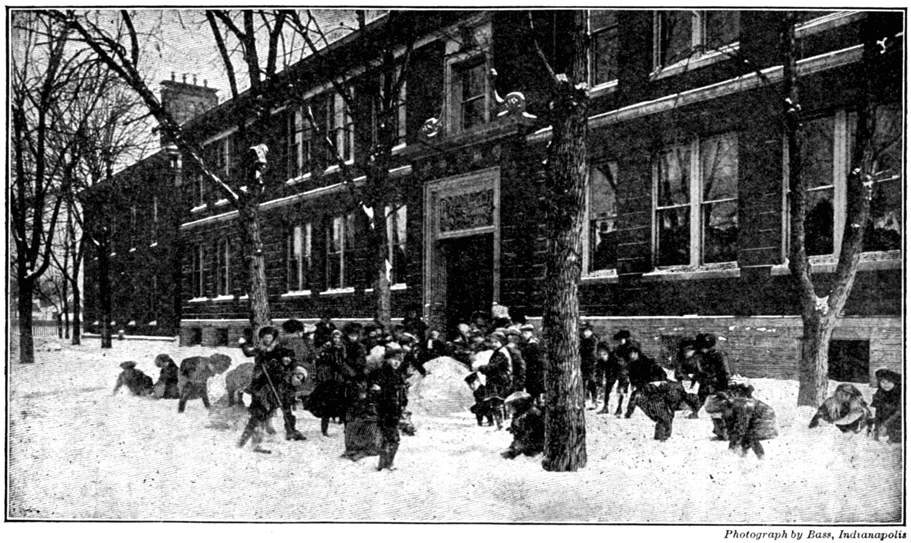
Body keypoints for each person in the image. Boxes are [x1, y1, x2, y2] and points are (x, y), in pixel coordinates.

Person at [239, 326, 305, 441]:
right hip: (262, 382)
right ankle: (259, 432)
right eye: (265, 337)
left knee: (285, 405)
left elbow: (290, 359)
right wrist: (243, 344)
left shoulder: (278, 349)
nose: (268, 339)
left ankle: (291, 430)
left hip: (278, 382)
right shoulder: (260, 349)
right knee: (262, 409)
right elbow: (248, 353)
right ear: (262, 338)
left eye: (270, 337)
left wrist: (286, 362)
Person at [370, 344, 410, 470]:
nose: (397, 362)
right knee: (391, 438)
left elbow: (401, 394)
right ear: (387, 359)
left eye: (399, 360)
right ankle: (385, 464)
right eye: (394, 359)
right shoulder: (380, 373)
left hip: (395, 410)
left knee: (389, 438)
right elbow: (374, 390)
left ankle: (385, 463)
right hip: (384, 410)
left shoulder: (398, 375)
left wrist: (403, 401)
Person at [717, 382, 777, 459]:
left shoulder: (743, 405)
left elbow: (742, 423)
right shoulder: (737, 403)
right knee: (743, 434)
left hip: (764, 419)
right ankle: (743, 454)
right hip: (756, 418)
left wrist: (734, 440)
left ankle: (760, 457)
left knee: (749, 435)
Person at [307, 329, 348, 436]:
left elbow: (345, 361)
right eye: (334, 337)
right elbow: (319, 361)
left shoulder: (344, 348)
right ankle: (324, 430)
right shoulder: (326, 349)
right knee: (326, 406)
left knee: (343, 404)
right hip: (328, 379)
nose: (336, 340)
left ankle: (346, 427)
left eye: (338, 338)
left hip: (340, 379)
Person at [694, 333, 730, 437]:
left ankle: (723, 431)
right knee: (710, 405)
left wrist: (719, 381)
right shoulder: (702, 356)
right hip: (707, 384)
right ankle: (720, 429)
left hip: (719, 384)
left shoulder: (718, 355)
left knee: (719, 406)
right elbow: (700, 371)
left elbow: (725, 371)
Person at [477, 331, 512, 430]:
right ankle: (501, 424)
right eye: (492, 342)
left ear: (501, 342)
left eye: (496, 342)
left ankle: (501, 425)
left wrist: (481, 368)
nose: (493, 344)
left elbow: (493, 366)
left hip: (499, 381)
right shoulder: (499, 351)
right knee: (497, 402)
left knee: (497, 402)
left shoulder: (501, 353)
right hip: (498, 380)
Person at [624, 340, 668, 418]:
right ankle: (628, 414)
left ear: (636, 353)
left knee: (640, 397)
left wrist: (662, 381)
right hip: (643, 386)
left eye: (631, 353)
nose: (630, 356)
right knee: (636, 396)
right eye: (629, 353)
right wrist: (633, 383)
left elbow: (661, 372)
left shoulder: (647, 362)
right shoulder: (631, 365)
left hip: (654, 384)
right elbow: (632, 377)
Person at [501, 392, 545, 459]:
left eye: (510, 406)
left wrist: (513, 451)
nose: (508, 410)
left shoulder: (531, 416)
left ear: (518, 405)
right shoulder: (519, 417)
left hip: (537, 449)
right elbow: (518, 437)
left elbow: (526, 438)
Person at [597, 341, 630, 417]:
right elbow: (600, 371)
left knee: (621, 391)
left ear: (608, 353)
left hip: (622, 373)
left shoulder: (615, 358)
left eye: (604, 354)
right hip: (611, 374)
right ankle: (605, 407)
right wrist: (600, 381)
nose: (602, 356)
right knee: (607, 389)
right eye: (600, 354)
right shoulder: (601, 361)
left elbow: (622, 369)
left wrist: (621, 382)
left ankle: (619, 408)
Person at [871, 368, 901, 443]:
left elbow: (899, 411)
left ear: (895, 382)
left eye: (889, 382)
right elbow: (878, 412)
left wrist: (885, 424)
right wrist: (877, 428)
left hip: (897, 421)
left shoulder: (900, 394)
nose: (885, 384)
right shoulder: (879, 394)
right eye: (883, 382)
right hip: (885, 421)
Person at [520, 324, 544, 402]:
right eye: (523, 333)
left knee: (533, 393)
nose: (524, 335)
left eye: (525, 333)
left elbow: (534, 361)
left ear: (530, 333)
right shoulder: (533, 343)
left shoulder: (532, 345)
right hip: (534, 373)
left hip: (533, 373)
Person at [580, 322, 600, 409]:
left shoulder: (593, 340)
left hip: (592, 364)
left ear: (590, 331)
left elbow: (588, 350)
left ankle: (594, 401)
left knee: (592, 382)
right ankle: (582, 401)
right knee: (582, 383)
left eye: (586, 331)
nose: (585, 333)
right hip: (584, 364)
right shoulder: (583, 340)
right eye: (584, 331)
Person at [505, 327, 526, 393]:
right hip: (515, 375)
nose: (509, 337)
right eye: (508, 335)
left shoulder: (516, 347)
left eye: (512, 335)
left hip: (517, 375)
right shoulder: (511, 347)